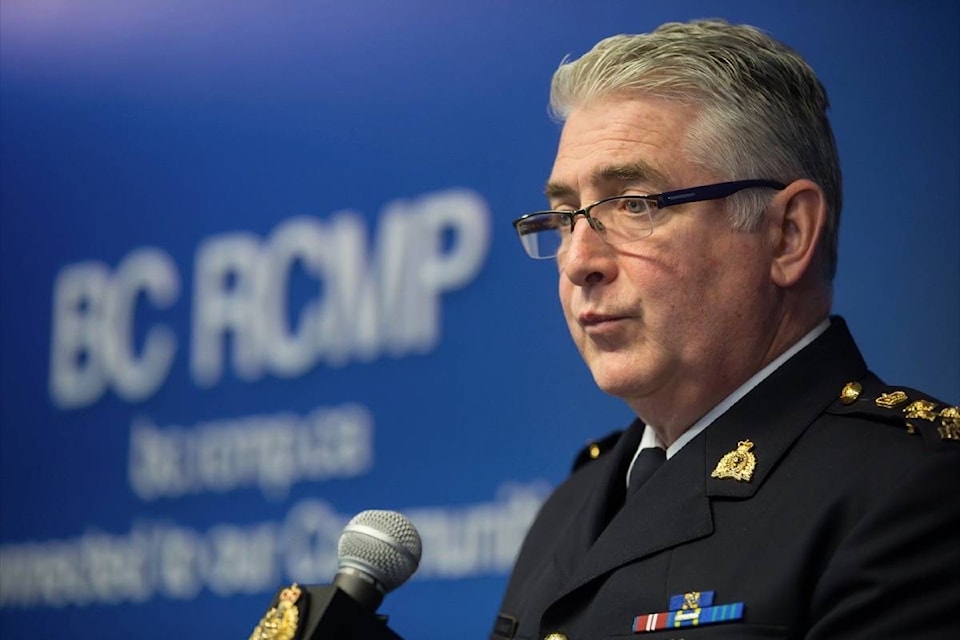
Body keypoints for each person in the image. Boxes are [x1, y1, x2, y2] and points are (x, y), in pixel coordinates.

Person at [492, 19, 960, 640]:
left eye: (634, 205)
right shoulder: (571, 508)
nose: (579, 261)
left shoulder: (914, 491)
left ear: (788, 234)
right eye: (564, 216)